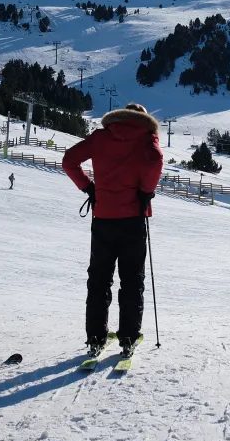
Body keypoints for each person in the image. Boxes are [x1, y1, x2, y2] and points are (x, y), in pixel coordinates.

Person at [63, 103, 163, 359]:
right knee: (132, 281)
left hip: (104, 218)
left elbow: (69, 161)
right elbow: (156, 160)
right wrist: (145, 191)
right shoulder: (146, 138)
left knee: (99, 280)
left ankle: (95, 338)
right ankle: (128, 338)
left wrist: (89, 188)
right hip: (133, 219)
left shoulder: (101, 137)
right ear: (143, 119)